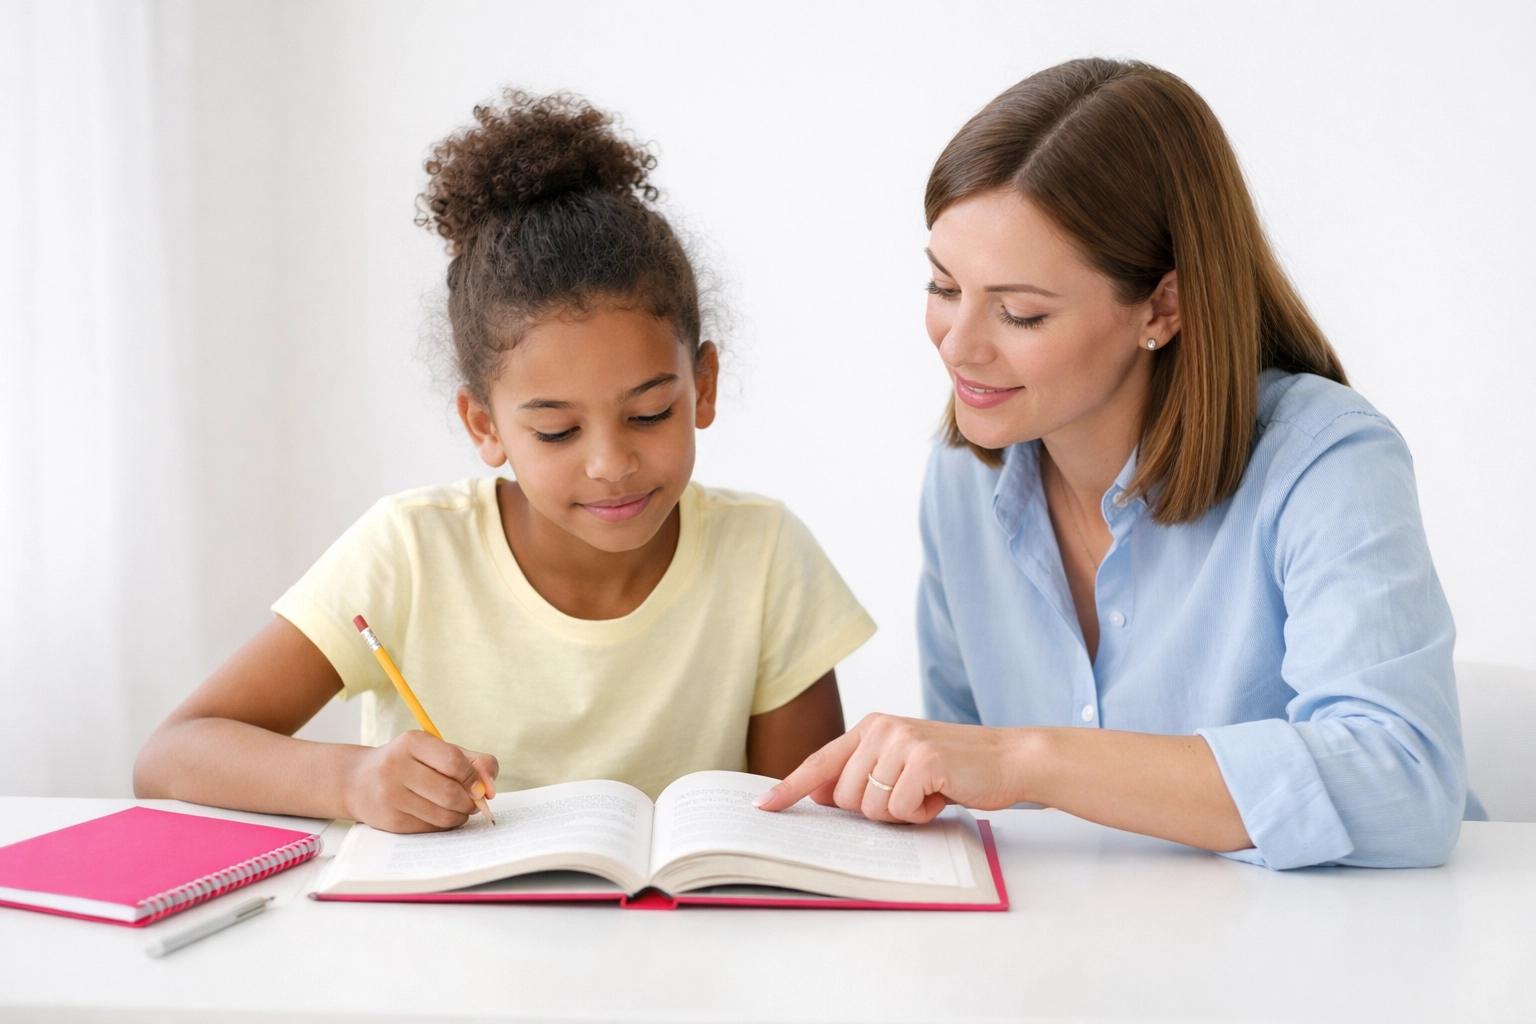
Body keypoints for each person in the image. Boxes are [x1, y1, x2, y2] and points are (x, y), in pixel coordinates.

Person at [756, 58, 1467, 869]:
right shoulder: (964, 480)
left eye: (1020, 312)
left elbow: (1405, 786)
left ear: (1161, 306)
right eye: (943, 286)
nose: (958, 346)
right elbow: (980, 804)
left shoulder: (1326, 462)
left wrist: (1032, 761)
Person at [135, 92, 874, 833]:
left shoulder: (766, 555)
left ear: (702, 386)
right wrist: (352, 780)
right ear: (484, 425)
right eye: (556, 431)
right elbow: (169, 757)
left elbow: (801, 828)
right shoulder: (410, 552)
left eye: (649, 414)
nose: (611, 464)